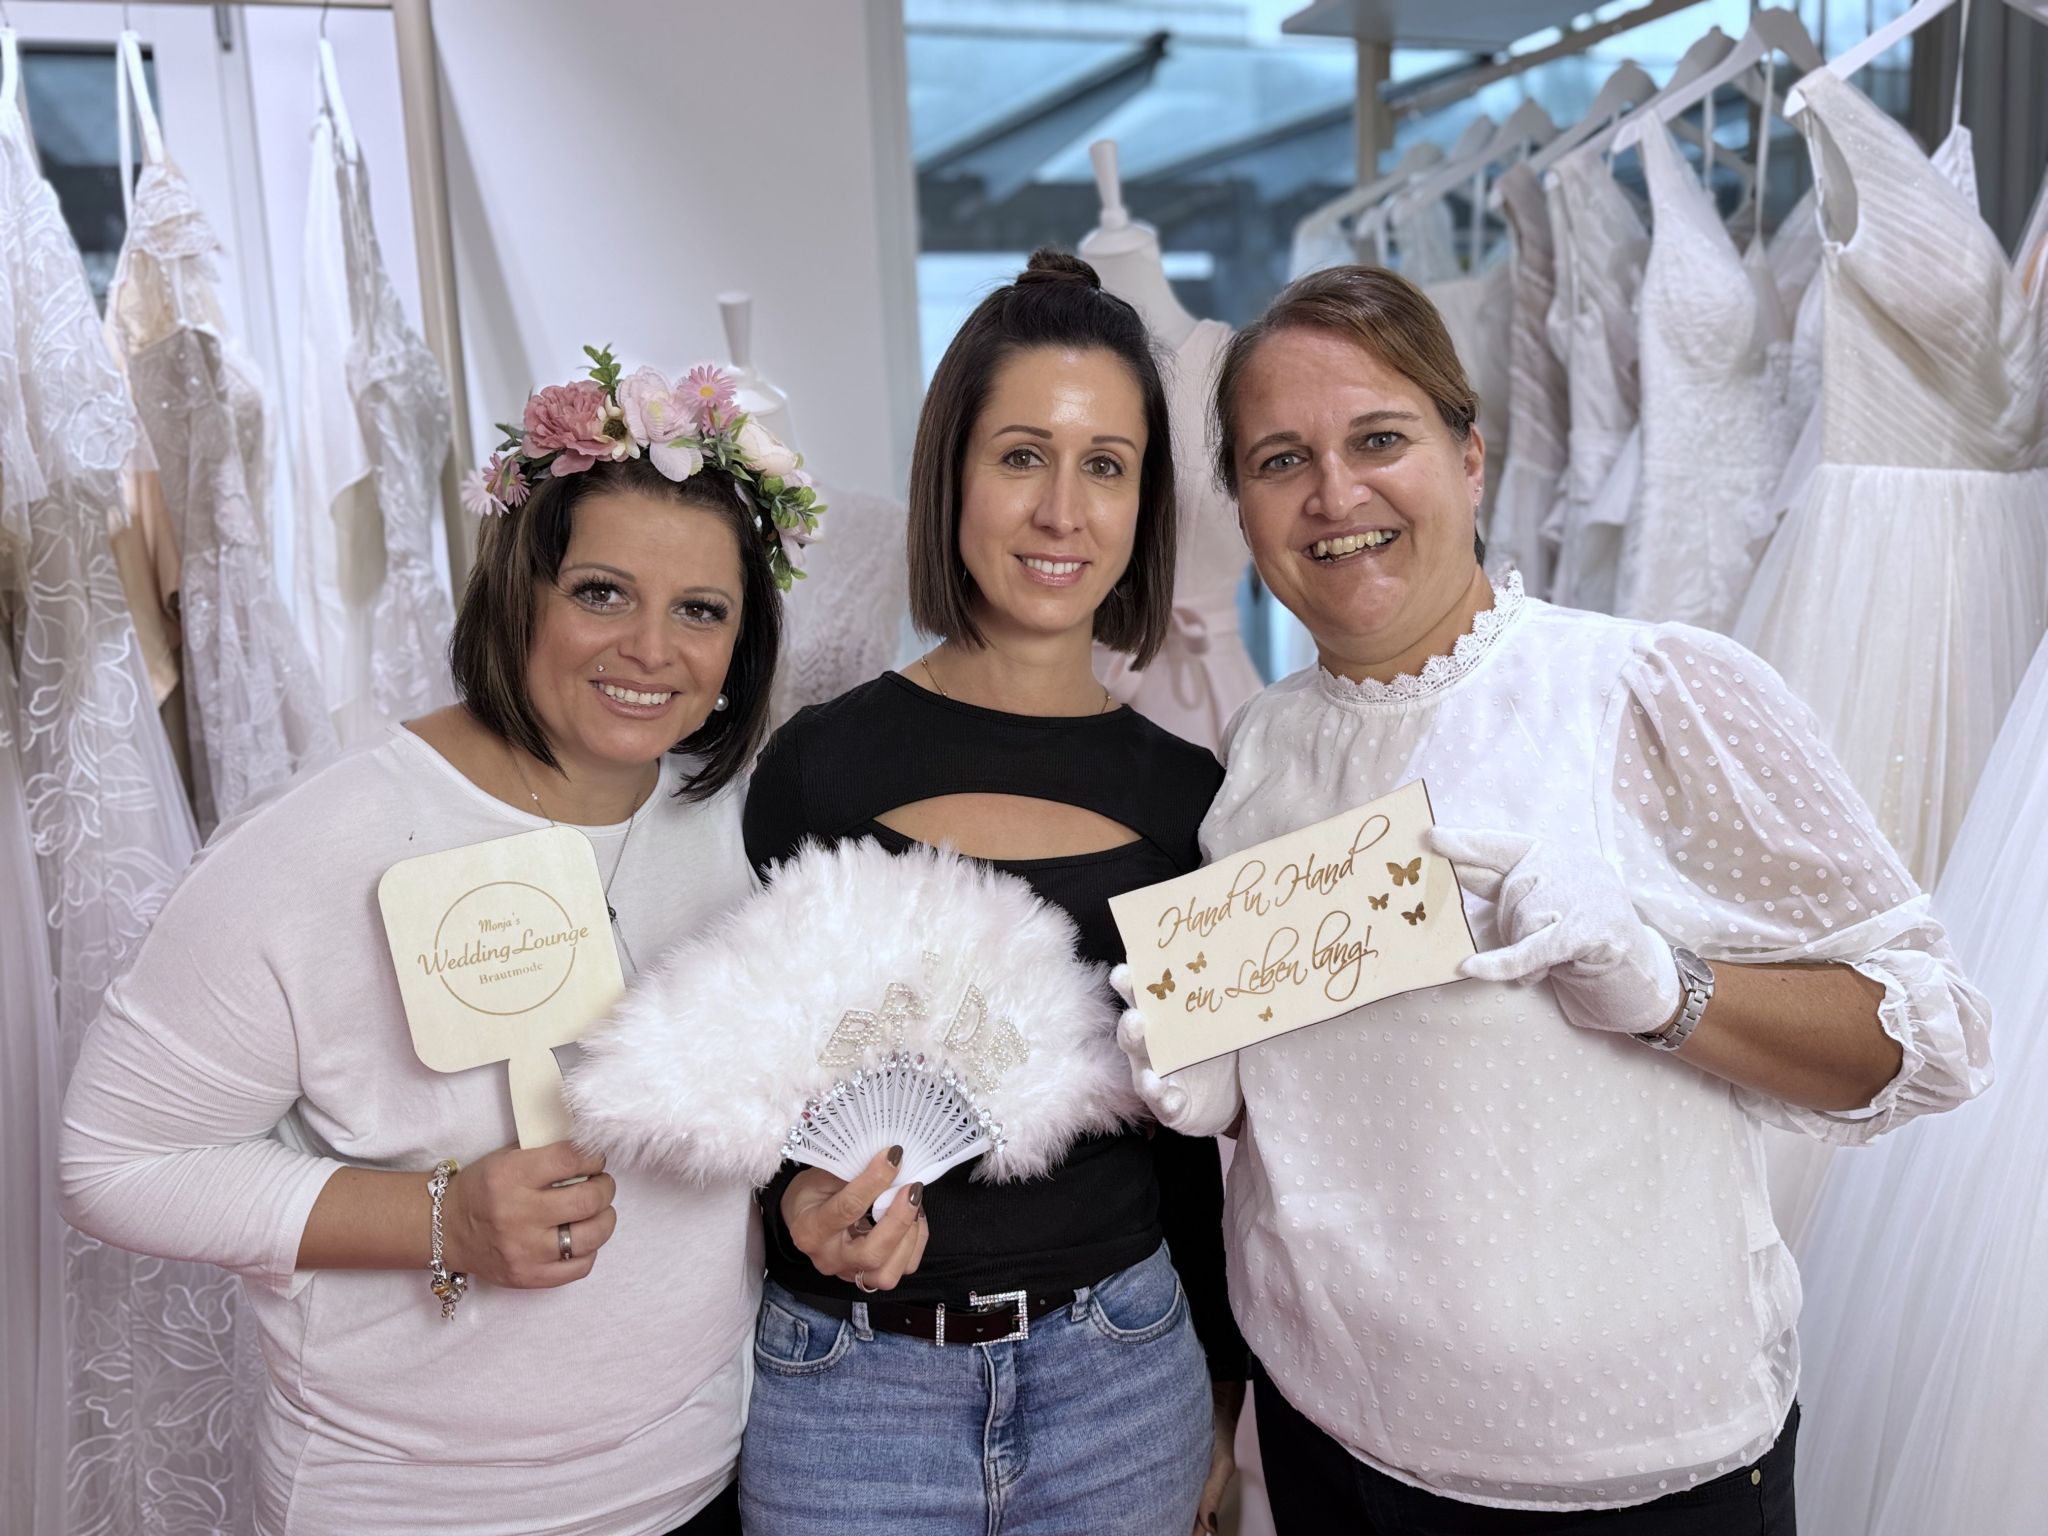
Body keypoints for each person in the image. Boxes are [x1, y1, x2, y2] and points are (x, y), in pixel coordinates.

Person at [1114, 265, 1991, 1535]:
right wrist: (1219, 1079)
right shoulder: (1261, 750)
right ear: (1241, 508)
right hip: (1324, 1435)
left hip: (1625, 1469)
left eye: (1378, 439)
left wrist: (1667, 989)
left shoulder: (1642, 694)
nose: (1333, 494)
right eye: (1277, 459)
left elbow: (1933, 1038)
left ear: (1470, 459)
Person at [58, 351, 811, 1536]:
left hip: (707, 1481)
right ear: (518, 591)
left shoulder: (744, 828)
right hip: (414, 1506)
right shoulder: (319, 848)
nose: (650, 651)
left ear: (738, 653)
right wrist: (439, 1218)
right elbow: (113, 1163)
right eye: (602, 593)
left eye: (700, 611)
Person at [738, 249, 1244, 1536]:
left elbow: (1197, 1148)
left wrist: (1221, 1403)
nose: (1061, 513)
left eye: (1106, 466)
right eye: (1022, 455)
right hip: (846, 1393)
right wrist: (797, 1205)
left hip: (1125, 1380)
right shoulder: (815, 765)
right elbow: (732, 1075)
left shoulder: (1197, 796)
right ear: (951, 472)